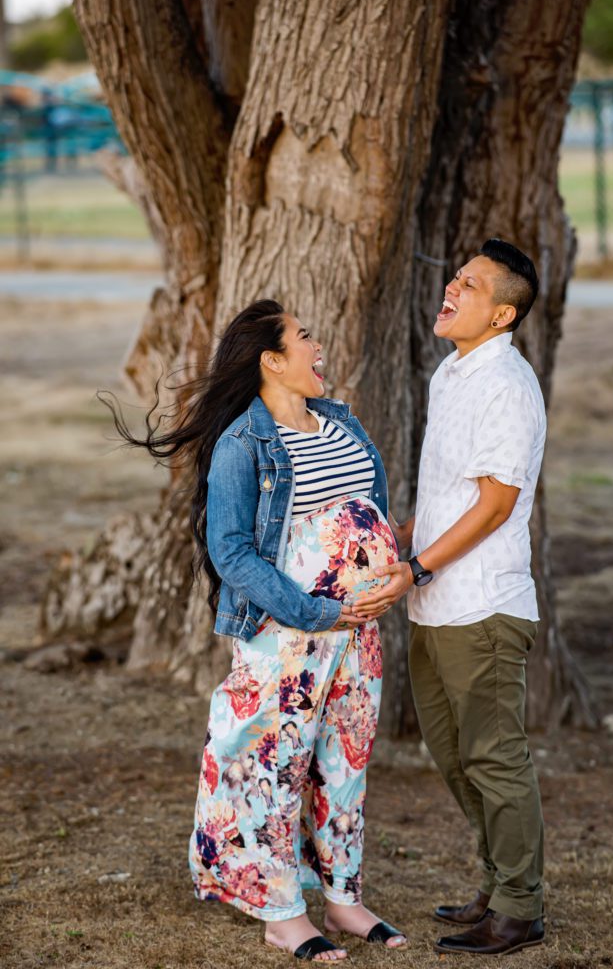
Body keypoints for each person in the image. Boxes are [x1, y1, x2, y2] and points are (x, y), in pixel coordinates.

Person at [104, 300, 407, 962]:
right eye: (305, 336)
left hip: (358, 635)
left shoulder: (340, 422)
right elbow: (232, 551)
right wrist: (318, 609)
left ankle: (344, 898)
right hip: (289, 632)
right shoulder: (244, 443)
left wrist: (384, 572)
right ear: (272, 360)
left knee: (344, 763)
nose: (318, 344)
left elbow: (370, 513)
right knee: (274, 765)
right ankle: (281, 913)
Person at [353, 239, 547, 956]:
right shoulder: (452, 372)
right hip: (434, 598)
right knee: (455, 756)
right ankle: (498, 887)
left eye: (469, 286)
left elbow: (496, 504)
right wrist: (396, 541)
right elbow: (449, 495)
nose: (451, 291)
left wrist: (420, 567)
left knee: (494, 756)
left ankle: (520, 909)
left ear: (500, 314)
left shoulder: (507, 385)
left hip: (482, 606)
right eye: (455, 279)